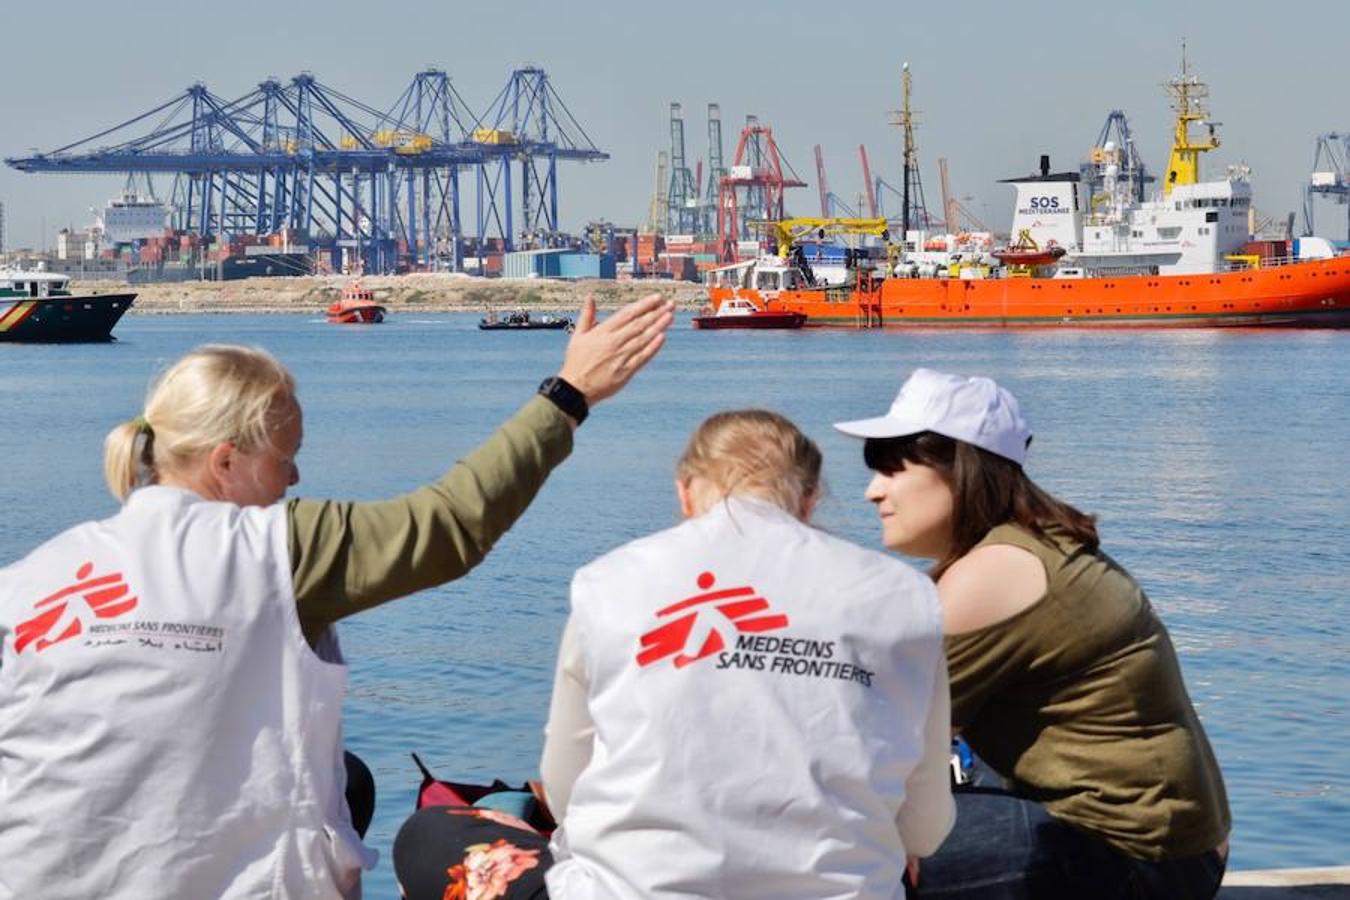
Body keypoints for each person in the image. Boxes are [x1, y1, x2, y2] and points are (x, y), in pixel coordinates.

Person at [0, 294, 674, 899]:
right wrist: (569, 394)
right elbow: (449, 527)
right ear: (225, 462)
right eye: (284, 454)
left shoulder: (32, 577)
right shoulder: (274, 549)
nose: (295, 475)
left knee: (347, 778)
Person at [394, 409, 954, 899]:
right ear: (809, 500)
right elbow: (925, 829)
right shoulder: (903, 595)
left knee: (429, 836)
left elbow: (565, 788)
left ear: (684, 493)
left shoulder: (610, 581)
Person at [834, 368, 1231, 900]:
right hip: (1172, 848)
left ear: (960, 469)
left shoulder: (993, 573)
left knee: (834, 846)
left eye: (889, 470)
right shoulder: (1029, 545)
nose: (871, 492)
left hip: (1134, 861)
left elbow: (869, 735)